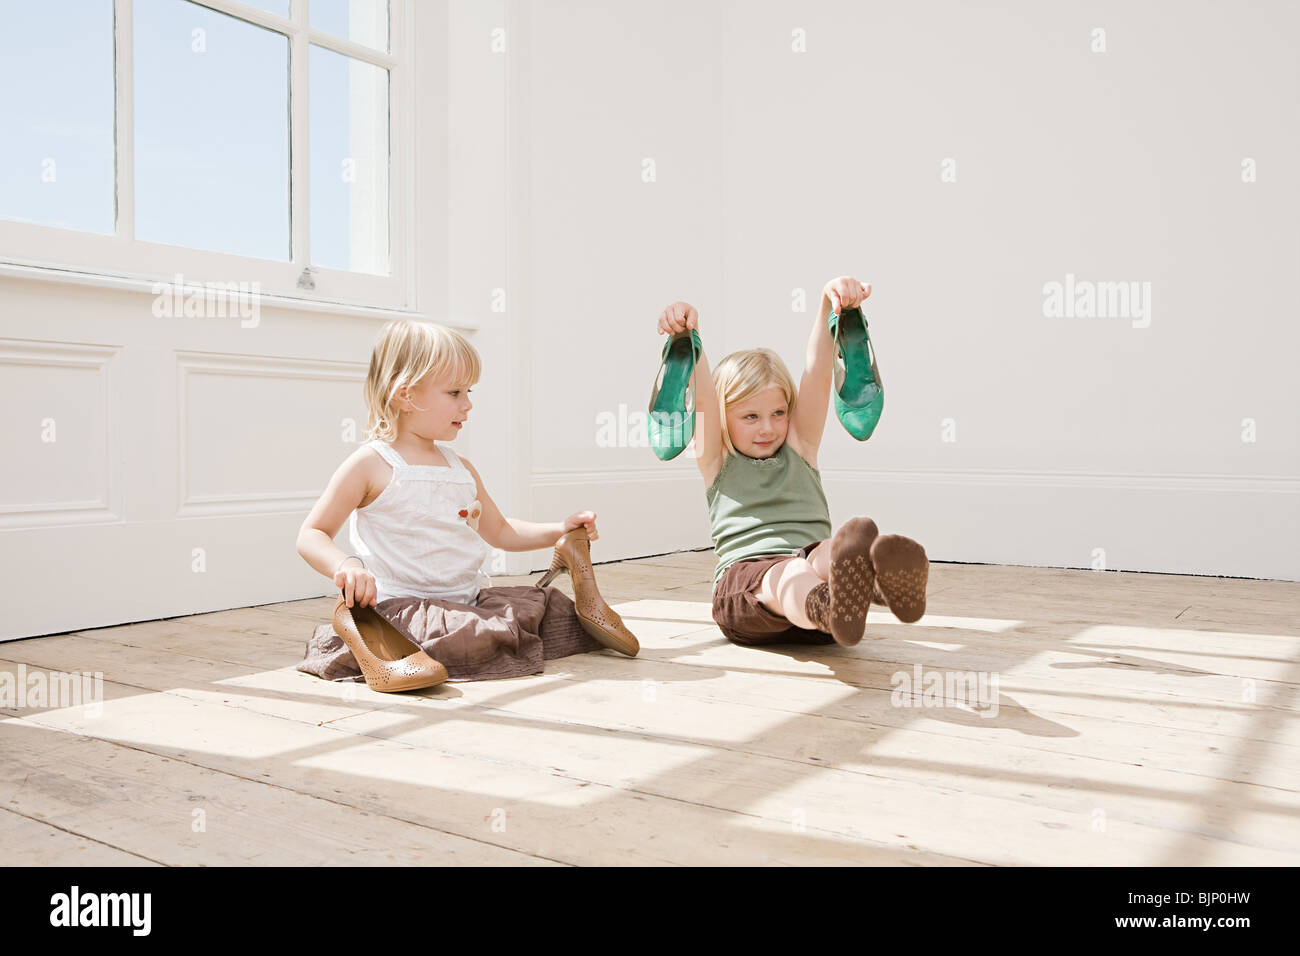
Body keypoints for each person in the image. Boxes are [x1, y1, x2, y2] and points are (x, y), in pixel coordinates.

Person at [655, 277, 930, 647]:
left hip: (817, 607)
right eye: (750, 417)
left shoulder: (801, 446)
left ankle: (876, 581)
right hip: (747, 592)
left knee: (829, 550)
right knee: (791, 572)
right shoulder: (716, 460)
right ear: (724, 418)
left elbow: (817, 372)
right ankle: (829, 605)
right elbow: (703, 398)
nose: (768, 427)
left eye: (779, 412)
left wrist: (827, 306)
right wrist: (691, 335)